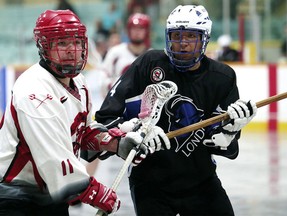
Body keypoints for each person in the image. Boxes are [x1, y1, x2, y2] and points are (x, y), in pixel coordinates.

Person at [0, 9, 168, 216]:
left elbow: (83, 133)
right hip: (14, 197)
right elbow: (53, 159)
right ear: (44, 46)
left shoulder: (79, 83)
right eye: (62, 43)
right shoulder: (33, 90)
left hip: (49, 196)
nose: (72, 49)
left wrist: (116, 142)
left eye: (77, 42)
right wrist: (94, 192)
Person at [96, 5, 257, 216]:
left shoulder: (222, 77)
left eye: (191, 36)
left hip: (200, 181)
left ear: (205, 39)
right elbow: (106, 118)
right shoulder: (149, 64)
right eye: (177, 36)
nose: (183, 43)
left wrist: (230, 130)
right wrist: (136, 131)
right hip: (150, 183)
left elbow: (223, 147)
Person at [101, 12, 151, 92]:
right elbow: (103, 77)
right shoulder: (115, 52)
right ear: (128, 30)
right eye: (133, 28)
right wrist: (114, 87)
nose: (137, 32)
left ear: (147, 31)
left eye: (140, 28)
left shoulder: (152, 56)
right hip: (118, 102)